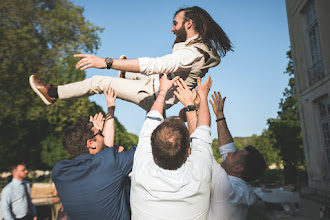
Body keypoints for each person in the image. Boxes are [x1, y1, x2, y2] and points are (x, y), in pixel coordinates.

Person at [29, 6, 232, 111]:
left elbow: (157, 65)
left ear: (188, 24)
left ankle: (53, 93)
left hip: (154, 94)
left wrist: (106, 62)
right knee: (129, 69)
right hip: (151, 84)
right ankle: (126, 76)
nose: (172, 28)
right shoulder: (191, 47)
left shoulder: (193, 53)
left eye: (175, 23)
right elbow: (164, 71)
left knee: (99, 81)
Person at [130, 74, 213, 219]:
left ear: (152, 147)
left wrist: (162, 91)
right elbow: (203, 129)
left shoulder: (141, 168)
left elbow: (153, 117)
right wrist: (200, 99)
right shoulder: (201, 173)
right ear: (188, 151)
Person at [52, 86, 136, 220]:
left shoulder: (59, 172)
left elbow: (105, 156)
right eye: (100, 134)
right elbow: (141, 151)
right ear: (90, 143)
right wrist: (110, 109)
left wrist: (109, 111)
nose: (102, 135)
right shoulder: (109, 164)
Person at [206, 91, 267, 220]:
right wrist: (220, 115)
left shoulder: (227, 189)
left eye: (233, 154)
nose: (228, 152)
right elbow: (227, 147)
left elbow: (202, 152)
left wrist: (191, 108)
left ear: (238, 168)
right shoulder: (243, 189)